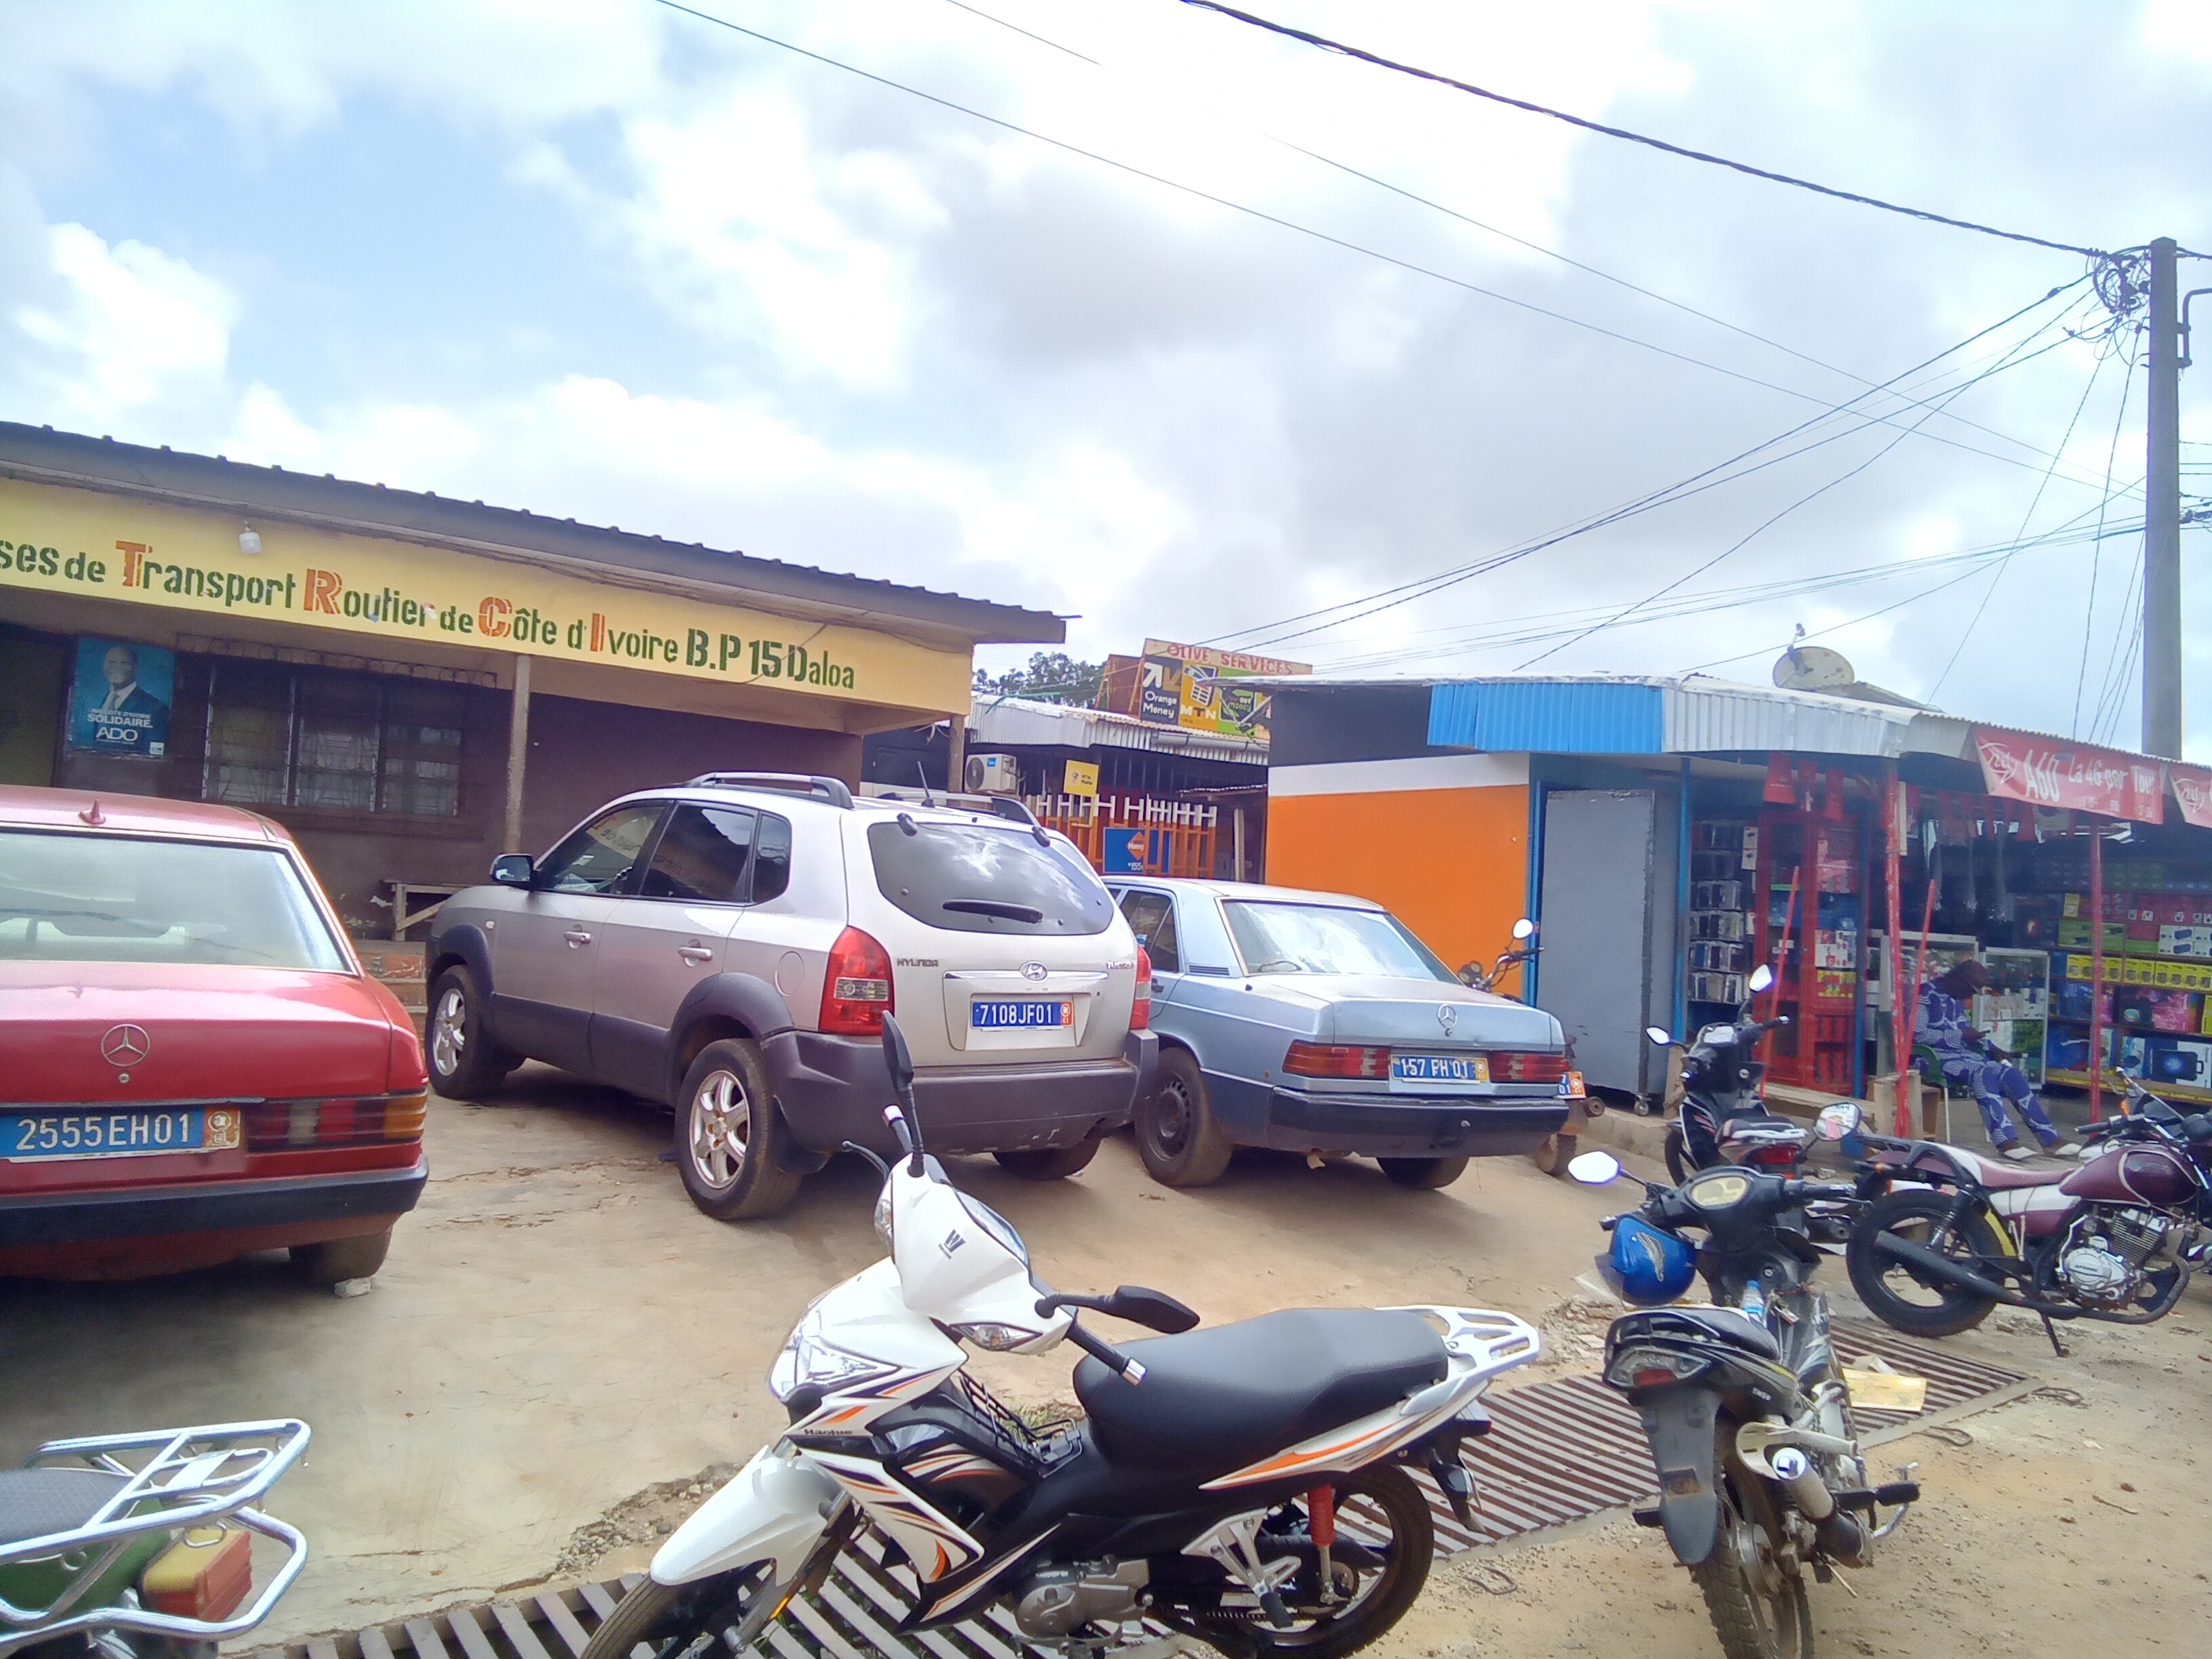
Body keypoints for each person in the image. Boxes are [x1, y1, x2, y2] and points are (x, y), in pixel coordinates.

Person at [1917, 959, 2077, 1160]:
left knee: (2010, 1073)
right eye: (1971, 990)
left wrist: (1990, 1047)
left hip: (1963, 1055)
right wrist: (1960, 1036)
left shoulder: (1955, 998)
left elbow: (1964, 1032)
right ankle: (2005, 1141)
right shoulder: (1925, 994)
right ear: (1958, 980)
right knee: (1982, 1073)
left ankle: (2050, 1139)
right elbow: (1917, 1035)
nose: (1971, 996)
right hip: (1930, 1057)